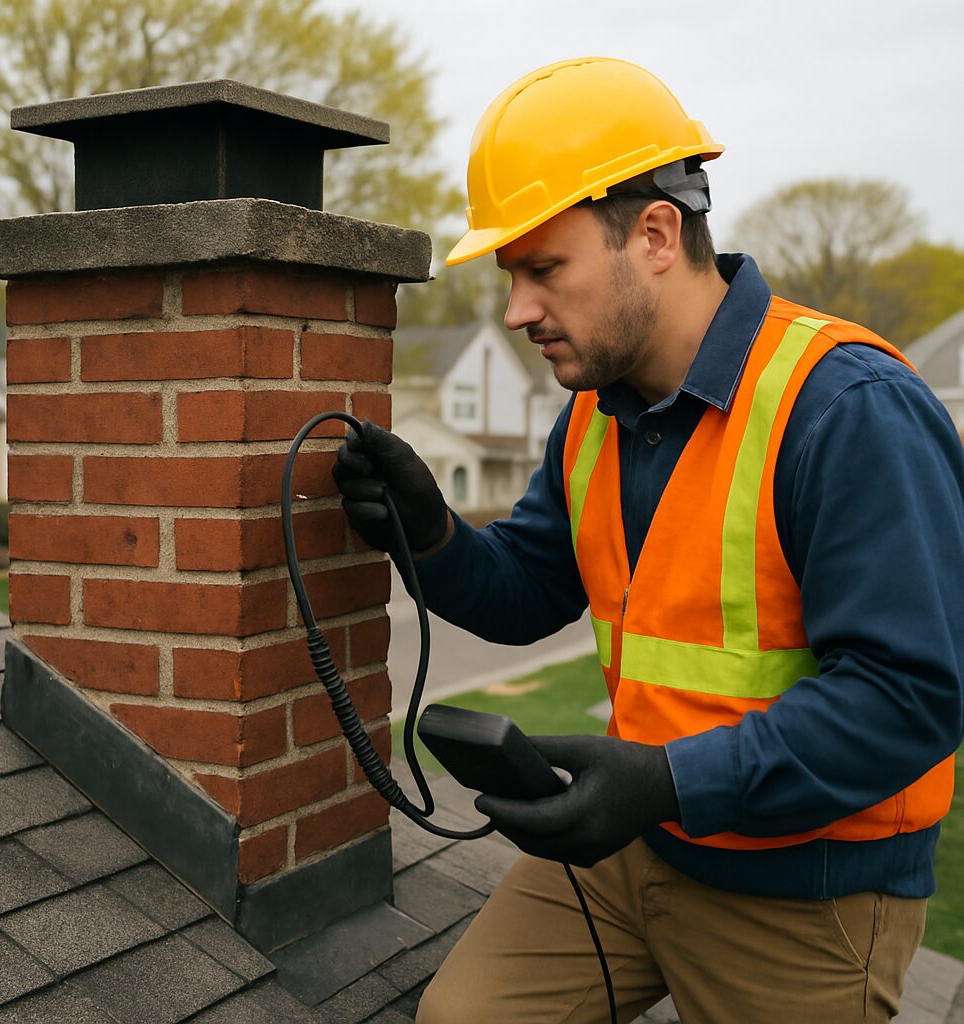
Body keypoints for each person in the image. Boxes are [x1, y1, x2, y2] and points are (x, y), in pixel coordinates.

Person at [332, 57, 964, 1023]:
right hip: (635, 842)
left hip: (807, 888)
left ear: (657, 235)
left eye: (544, 269)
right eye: (511, 276)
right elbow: (528, 589)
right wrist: (433, 535)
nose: (517, 311)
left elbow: (908, 697)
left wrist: (670, 780)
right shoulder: (595, 410)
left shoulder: (848, 409)